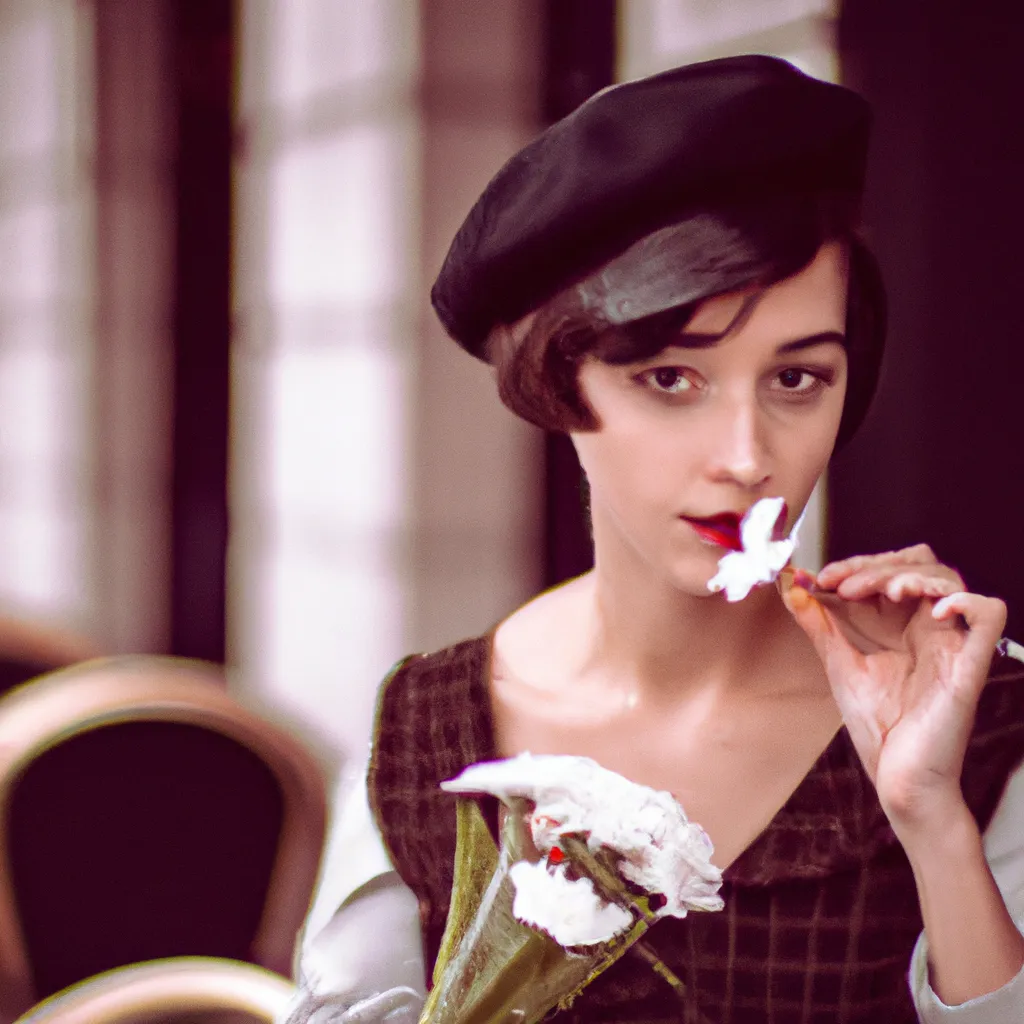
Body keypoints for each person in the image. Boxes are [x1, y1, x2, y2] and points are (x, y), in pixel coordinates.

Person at [281, 55, 1024, 1023]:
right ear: (560, 385)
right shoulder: (422, 734)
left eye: (797, 379)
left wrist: (933, 822)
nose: (746, 456)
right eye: (670, 379)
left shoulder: (974, 714)